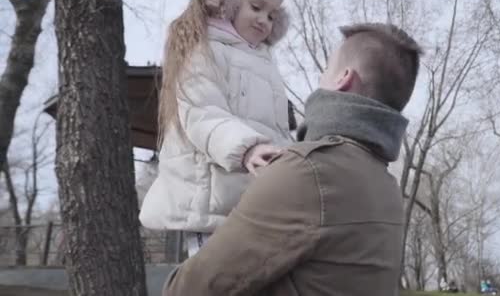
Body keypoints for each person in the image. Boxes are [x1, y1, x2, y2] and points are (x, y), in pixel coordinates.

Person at [162, 22, 422, 296]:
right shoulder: (386, 186)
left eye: (326, 70)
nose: (321, 79)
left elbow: (187, 290)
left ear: (343, 78)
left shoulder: (309, 172)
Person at [139, 0, 291, 256]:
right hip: (210, 203)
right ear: (227, 2)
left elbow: (278, 130)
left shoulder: (267, 66)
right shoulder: (203, 49)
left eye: (272, 15)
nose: (264, 20)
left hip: (251, 202)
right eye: (256, 7)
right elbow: (202, 113)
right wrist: (247, 148)